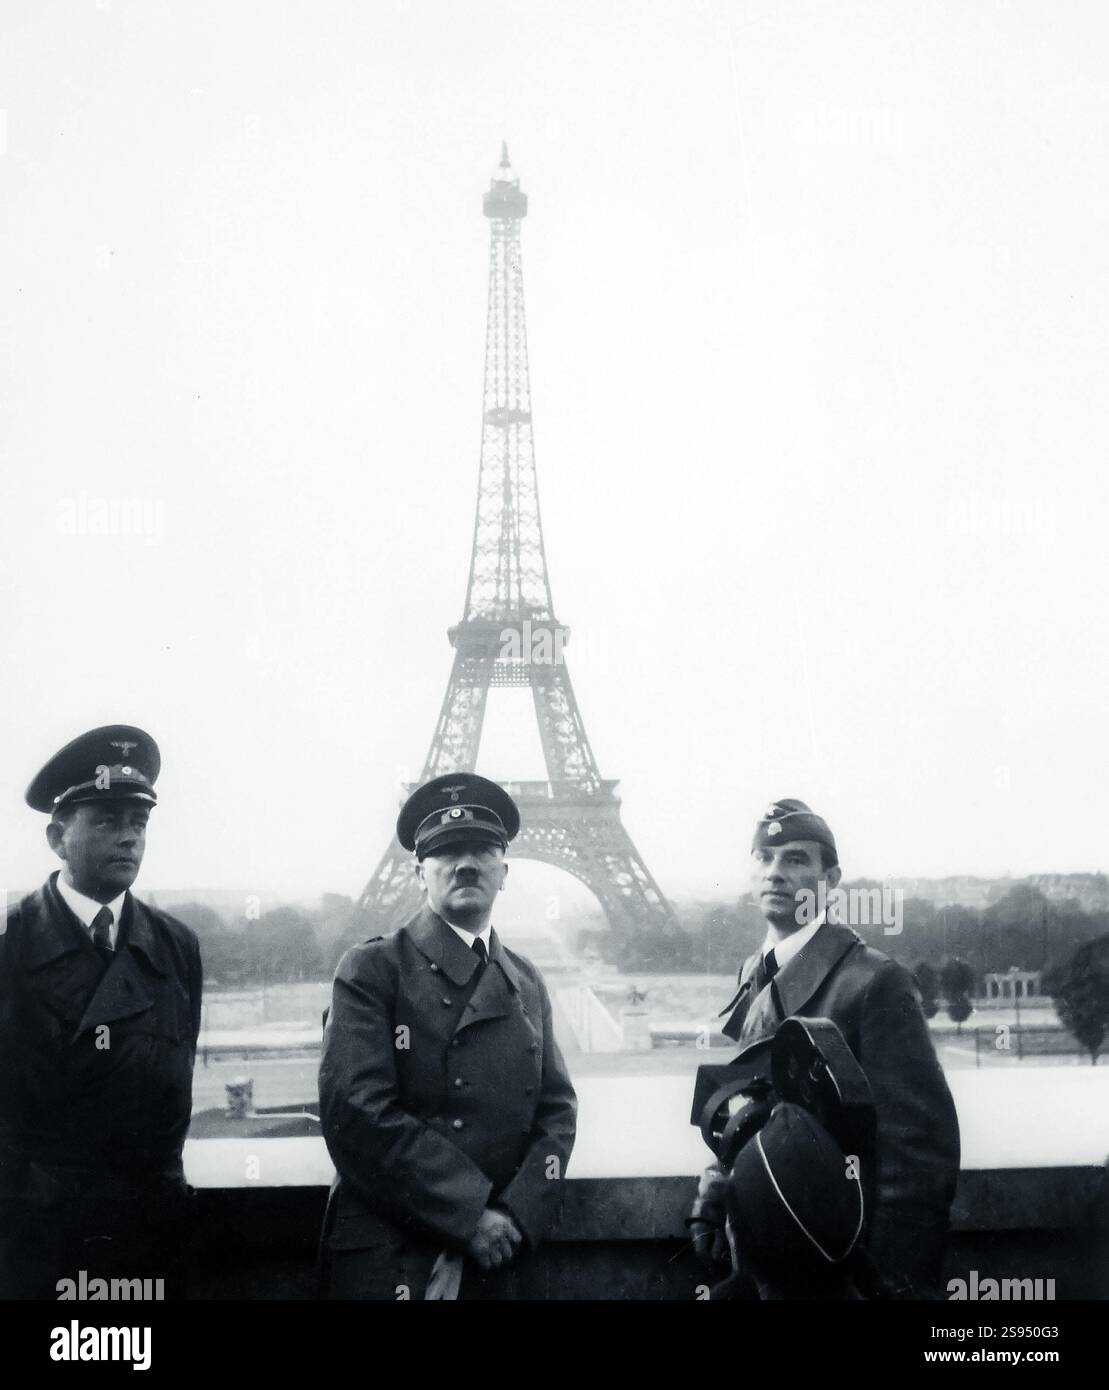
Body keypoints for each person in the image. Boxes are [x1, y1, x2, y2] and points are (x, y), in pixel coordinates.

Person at [319, 773, 577, 1300]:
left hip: (499, 1252)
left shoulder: (527, 979)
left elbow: (557, 1111)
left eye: (482, 849)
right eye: (447, 851)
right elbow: (358, 1111)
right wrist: (467, 1213)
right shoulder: (370, 969)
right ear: (419, 871)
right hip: (395, 1256)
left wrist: (512, 1215)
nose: (466, 864)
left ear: (503, 871)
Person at [704, 798, 960, 1298]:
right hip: (765, 1265)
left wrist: (884, 1288)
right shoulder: (754, 973)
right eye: (764, 858)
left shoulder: (874, 982)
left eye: (796, 859)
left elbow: (917, 1162)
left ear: (831, 878)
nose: (775, 873)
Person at [0, 725, 202, 1298]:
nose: (129, 838)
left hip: (149, 1238)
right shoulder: (8, 942)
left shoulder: (176, 945)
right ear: (58, 837)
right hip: (36, 1243)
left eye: (138, 823)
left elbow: (174, 1083)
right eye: (107, 821)